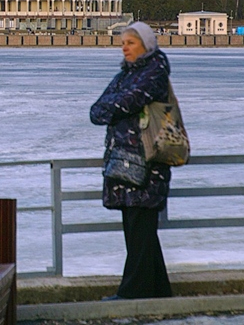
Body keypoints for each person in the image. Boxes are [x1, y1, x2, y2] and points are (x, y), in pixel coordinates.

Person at [90, 22, 173, 300]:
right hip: (126, 164)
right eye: (123, 43)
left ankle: (132, 293)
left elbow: (125, 103)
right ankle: (159, 292)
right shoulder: (126, 74)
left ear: (146, 45)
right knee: (139, 231)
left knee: (140, 230)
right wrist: (115, 107)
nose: (124, 48)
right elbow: (96, 111)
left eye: (131, 43)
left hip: (148, 166)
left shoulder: (154, 73)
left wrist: (115, 107)